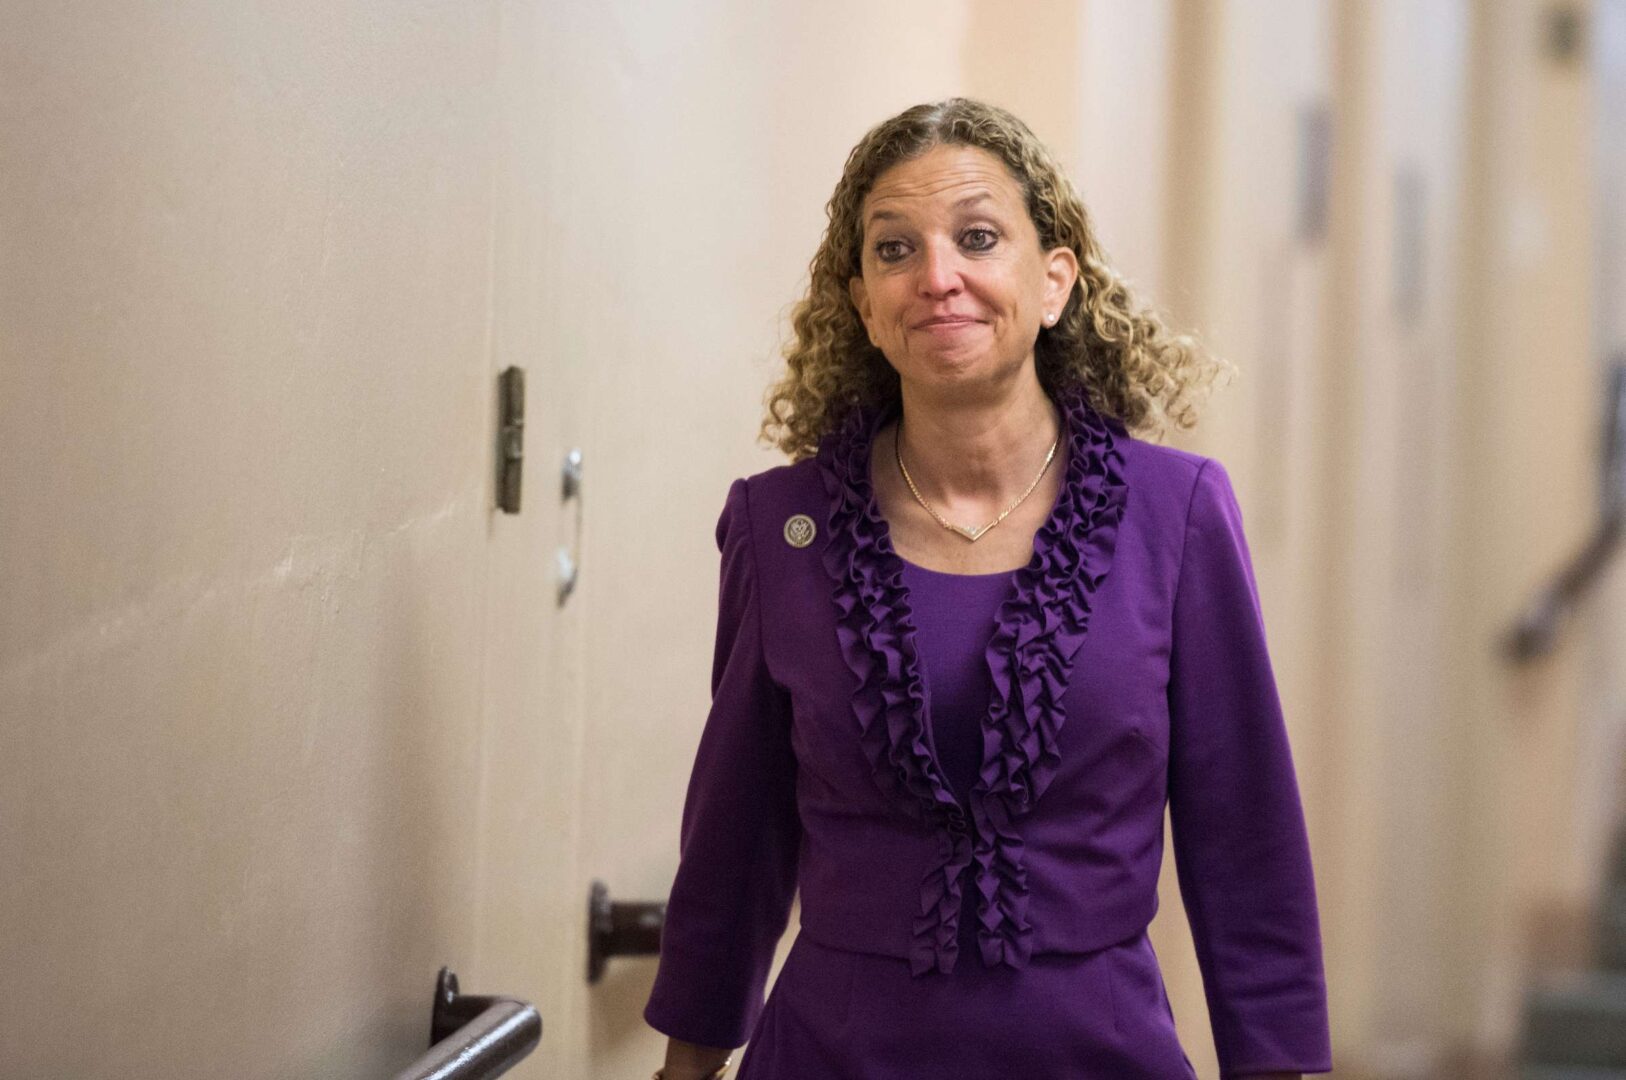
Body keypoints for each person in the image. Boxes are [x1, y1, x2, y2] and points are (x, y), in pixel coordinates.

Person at [642, 97, 1331, 1080]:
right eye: (894, 250)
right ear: (864, 304)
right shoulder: (781, 526)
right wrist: (684, 1069)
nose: (937, 277)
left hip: (1100, 1057)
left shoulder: (1174, 514)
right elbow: (734, 843)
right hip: (830, 1057)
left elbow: (1245, 837)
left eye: (977, 238)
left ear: (1054, 281)